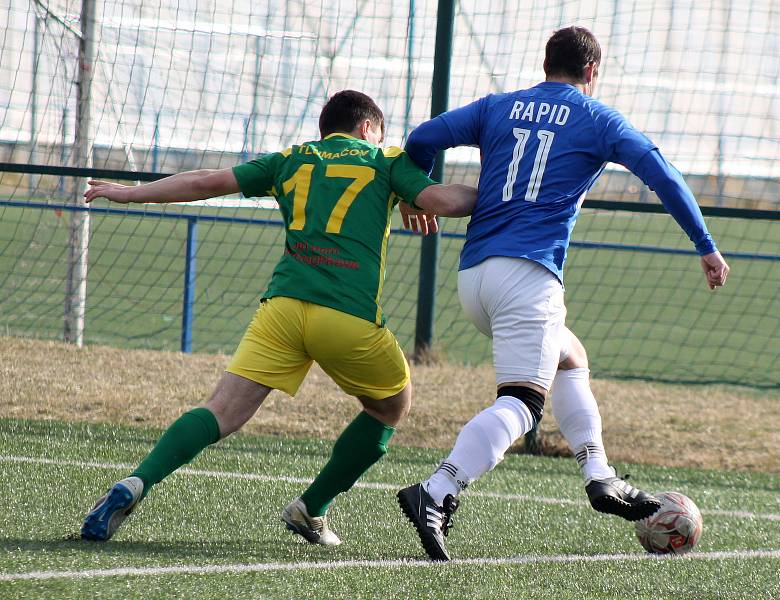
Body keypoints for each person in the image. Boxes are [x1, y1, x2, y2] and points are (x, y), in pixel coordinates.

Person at [80, 90, 477, 545]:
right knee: (391, 405)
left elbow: (205, 182)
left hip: (282, 309)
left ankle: (138, 481)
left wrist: (131, 194)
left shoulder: (292, 159)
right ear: (369, 128)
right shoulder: (385, 160)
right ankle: (312, 508)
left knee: (220, 411)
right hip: (346, 315)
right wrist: (504, 191)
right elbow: (445, 201)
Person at [396, 26, 730, 561]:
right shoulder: (597, 118)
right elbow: (661, 173)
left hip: (475, 277)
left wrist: (417, 190)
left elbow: (421, 139)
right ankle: (436, 490)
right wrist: (705, 245)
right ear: (592, 72)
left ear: (545, 62)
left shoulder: (498, 106)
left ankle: (600, 475)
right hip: (528, 278)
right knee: (523, 404)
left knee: (570, 358)